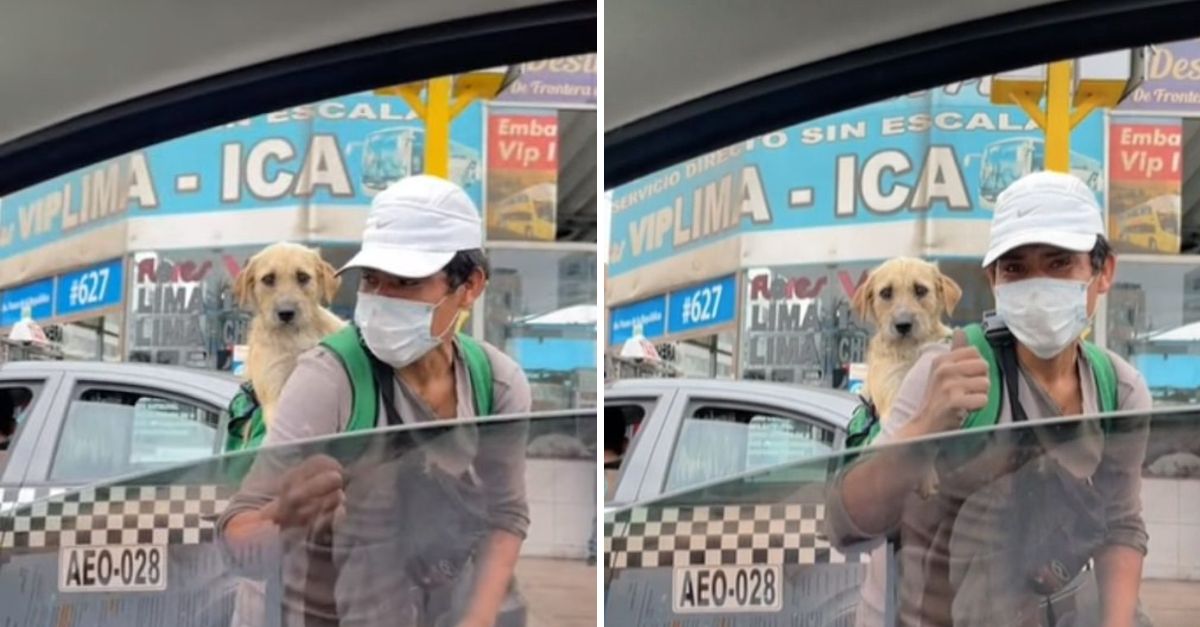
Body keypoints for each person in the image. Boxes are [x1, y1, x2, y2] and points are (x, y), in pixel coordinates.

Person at [826, 171, 1151, 627]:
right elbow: (845, 525)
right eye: (1015, 267)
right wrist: (925, 424)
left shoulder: (1118, 388)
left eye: (1059, 264)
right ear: (994, 279)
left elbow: (1121, 524)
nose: (1037, 285)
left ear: (1103, 272)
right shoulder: (946, 369)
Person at [219, 175, 532, 627]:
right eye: (371, 279)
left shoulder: (496, 383)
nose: (381, 299)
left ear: (470, 286)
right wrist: (283, 517)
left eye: (405, 281)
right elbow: (238, 535)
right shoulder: (329, 379)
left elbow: (507, 513)